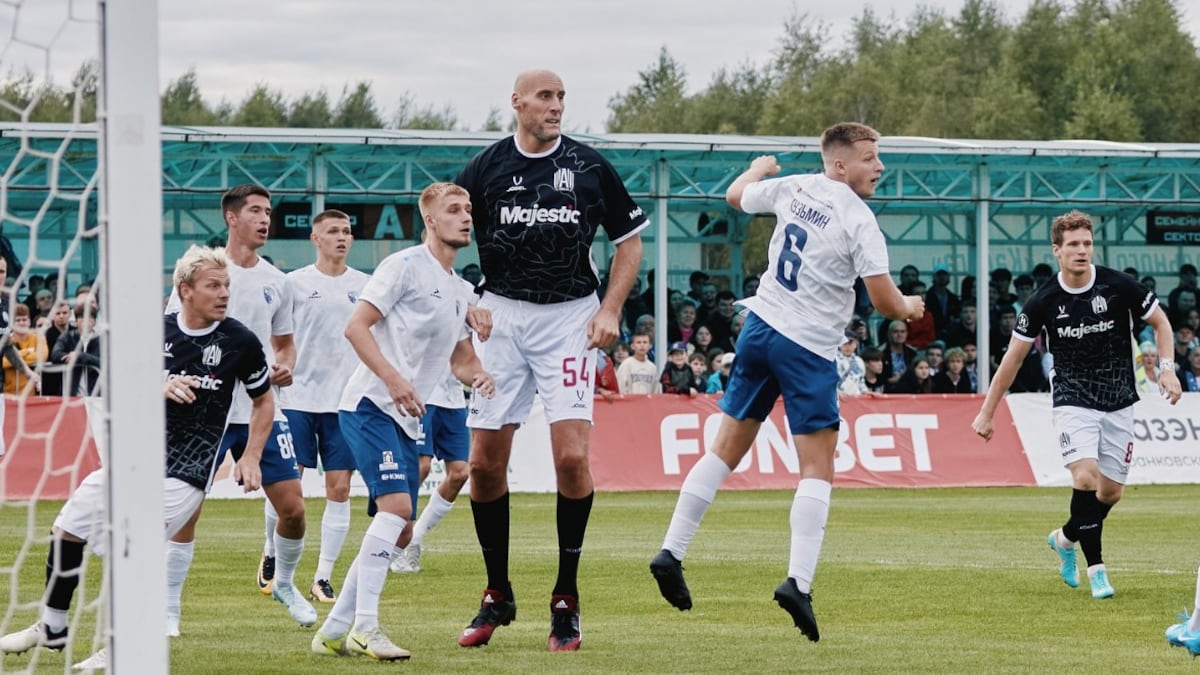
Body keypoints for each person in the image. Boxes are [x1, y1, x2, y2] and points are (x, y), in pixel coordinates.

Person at [649, 123, 924, 642]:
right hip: (808, 345)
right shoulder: (858, 217)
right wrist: (909, 305)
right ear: (840, 165)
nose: (879, 167)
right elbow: (887, 303)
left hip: (758, 328)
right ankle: (798, 581)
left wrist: (758, 167)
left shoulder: (796, 186)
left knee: (724, 449)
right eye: (870, 158)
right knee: (818, 467)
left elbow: (736, 196)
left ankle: (672, 550)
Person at [0, 246, 273, 670]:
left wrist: (251, 455)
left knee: (133, 547)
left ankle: (124, 646)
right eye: (213, 286)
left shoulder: (240, 341)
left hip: (187, 470)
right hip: (135, 460)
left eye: (226, 286)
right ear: (185, 291)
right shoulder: (154, 332)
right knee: (68, 528)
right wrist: (158, 388)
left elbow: (263, 400)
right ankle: (52, 627)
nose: (224, 294)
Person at [453, 68, 647, 652]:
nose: (556, 106)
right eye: (545, 97)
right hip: (501, 319)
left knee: (570, 457)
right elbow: (442, 239)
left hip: (568, 318)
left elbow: (629, 241)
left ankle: (566, 596)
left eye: (561, 96)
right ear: (517, 103)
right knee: (484, 464)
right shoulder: (484, 169)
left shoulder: (589, 167)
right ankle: (496, 592)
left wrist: (610, 309)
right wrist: (468, 302)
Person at [311, 182, 494, 661]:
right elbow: (356, 327)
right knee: (395, 510)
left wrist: (483, 375)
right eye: (454, 210)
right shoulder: (404, 266)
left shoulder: (461, 290)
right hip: (370, 404)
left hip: (405, 417)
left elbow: (458, 359)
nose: (465, 217)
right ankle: (365, 628)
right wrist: (393, 380)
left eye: (468, 209)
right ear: (430, 220)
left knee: (400, 526)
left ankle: (333, 628)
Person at [972, 210, 1181, 601]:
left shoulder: (1118, 286)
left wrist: (1166, 371)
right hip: (1072, 399)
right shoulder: (1043, 301)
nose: (1082, 251)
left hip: (1119, 400)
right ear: (1057, 251)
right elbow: (1012, 360)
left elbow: (1162, 324)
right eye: (1073, 245)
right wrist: (987, 412)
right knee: (1085, 477)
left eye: (1087, 243)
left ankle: (1065, 538)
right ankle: (1097, 570)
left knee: (1110, 493)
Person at [164, 184, 315, 634]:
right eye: (255, 211)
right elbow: (173, 336)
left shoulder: (277, 282)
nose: (265, 219)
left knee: (294, 507)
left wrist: (284, 366)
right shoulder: (201, 272)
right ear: (232, 218)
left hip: (260, 409)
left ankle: (284, 582)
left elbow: (284, 346)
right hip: (203, 416)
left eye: (268, 212)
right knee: (184, 515)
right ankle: (169, 609)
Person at [278, 209, 370, 604]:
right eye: (333, 231)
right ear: (315, 238)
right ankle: (273, 556)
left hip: (343, 401)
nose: (341, 237)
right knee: (286, 486)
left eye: (347, 232)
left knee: (340, 487)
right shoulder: (293, 284)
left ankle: (322, 576)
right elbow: (277, 337)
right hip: (297, 397)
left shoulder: (366, 286)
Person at [3, 303, 44, 394]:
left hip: (31, 394)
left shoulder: (38, 338)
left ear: (29, 321)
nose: (21, 323)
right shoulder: (5, 339)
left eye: (24, 319)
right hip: (8, 393)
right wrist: (26, 352)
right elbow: (3, 361)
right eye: (18, 320)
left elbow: (42, 356)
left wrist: (16, 359)